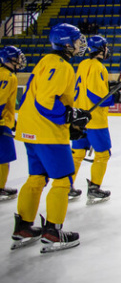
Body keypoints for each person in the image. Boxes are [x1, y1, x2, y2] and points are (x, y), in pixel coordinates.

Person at [12, 23, 91, 252]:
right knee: (63, 180)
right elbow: (46, 101)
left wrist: (70, 123)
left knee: (36, 177)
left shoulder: (46, 61)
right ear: (67, 43)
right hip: (47, 132)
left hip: (30, 129)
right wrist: (69, 114)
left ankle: (24, 228)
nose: (79, 44)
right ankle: (54, 233)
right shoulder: (62, 66)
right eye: (76, 40)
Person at [71, 36, 121, 205]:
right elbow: (98, 97)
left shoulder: (83, 64)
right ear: (101, 49)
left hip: (79, 116)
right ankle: (94, 188)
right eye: (106, 47)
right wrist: (117, 97)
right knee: (103, 154)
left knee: (77, 154)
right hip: (95, 120)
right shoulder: (98, 67)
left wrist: (109, 86)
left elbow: (90, 87)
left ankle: (66, 185)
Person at [0, 46, 26, 201]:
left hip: (5, 120)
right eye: (17, 58)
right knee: (4, 158)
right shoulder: (8, 77)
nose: (20, 61)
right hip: (1, 124)